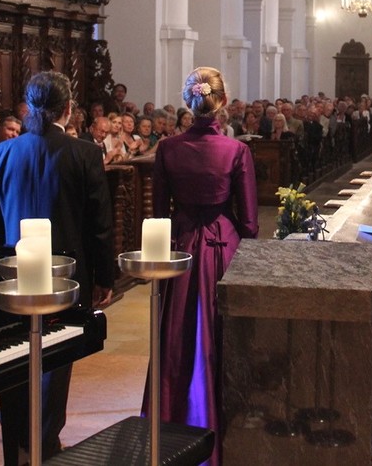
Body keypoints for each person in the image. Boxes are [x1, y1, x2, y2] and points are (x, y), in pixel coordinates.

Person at [0, 70, 116, 466]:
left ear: (28, 109)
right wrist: (104, 277)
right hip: (65, 277)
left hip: (14, 274)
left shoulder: (2, 153)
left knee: (14, 360)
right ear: (68, 108)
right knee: (56, 363)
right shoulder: (85, 153)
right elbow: (99, 224)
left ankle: (19, 446)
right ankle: (45, 445)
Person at [147, 66, 258, 466]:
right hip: (221, 247)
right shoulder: (236, 150)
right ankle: (223, 424)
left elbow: (158, 215)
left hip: (180, 249)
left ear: (187, 102)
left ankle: (171, 426)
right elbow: (249, 221)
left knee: (175, 337)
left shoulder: (167, 148)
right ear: (223, 101)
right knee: (220, 337)